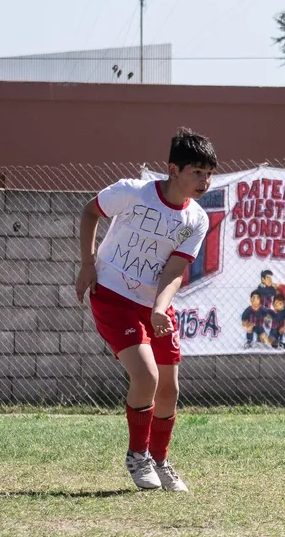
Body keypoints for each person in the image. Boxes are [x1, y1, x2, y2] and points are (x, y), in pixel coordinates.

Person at [75, 128, 216, 492]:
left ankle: (160, 459)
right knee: (147, 378)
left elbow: (174, 271)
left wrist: (159, 308)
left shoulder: (197, 219)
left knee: (169, 389)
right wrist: (88, 264)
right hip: (111, 295)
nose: (204, 180)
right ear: (173, 169)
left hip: (153, 306)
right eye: (196, 172)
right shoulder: (133, 192)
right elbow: (90, 212)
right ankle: (137, 457)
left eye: (208, 172)